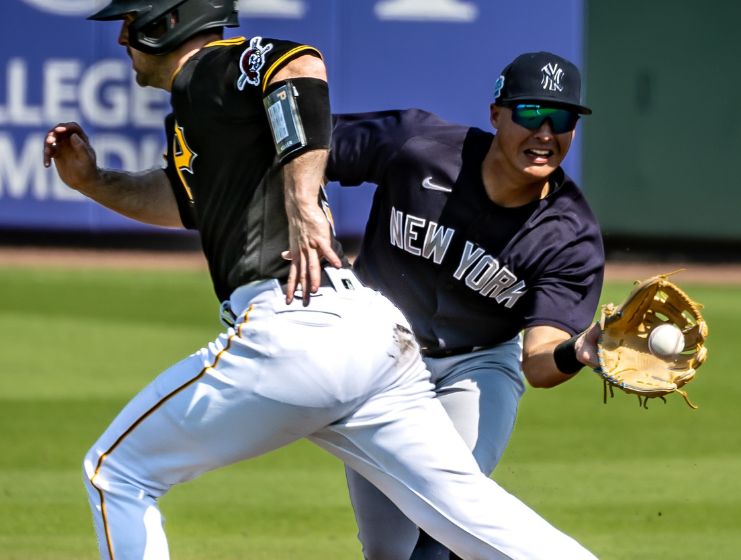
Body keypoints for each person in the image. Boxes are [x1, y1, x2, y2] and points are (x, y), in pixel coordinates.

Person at [43, 2, 600, 559]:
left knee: (114, 472)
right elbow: (194, 201)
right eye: (531, 112)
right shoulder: (216, 111)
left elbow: (300, 65)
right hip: (378, 337)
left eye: (128, 20)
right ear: (499, 113)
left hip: (303, 329)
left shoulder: (208, 69)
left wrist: (304, 197)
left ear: (166, 22)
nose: (120, 37)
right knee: (472, 523)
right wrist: (93, 182)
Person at [326, 52, 605, 559]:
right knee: (388, 550)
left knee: (446, 525)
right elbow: (298, 145)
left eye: (561, 118)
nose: (545, 132)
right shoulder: (418, 147)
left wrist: (577, 352)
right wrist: (303, 213)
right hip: (377, 359)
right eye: (529, 113)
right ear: (496, 113)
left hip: (475, 367)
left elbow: (540, 361)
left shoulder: (570, 237)